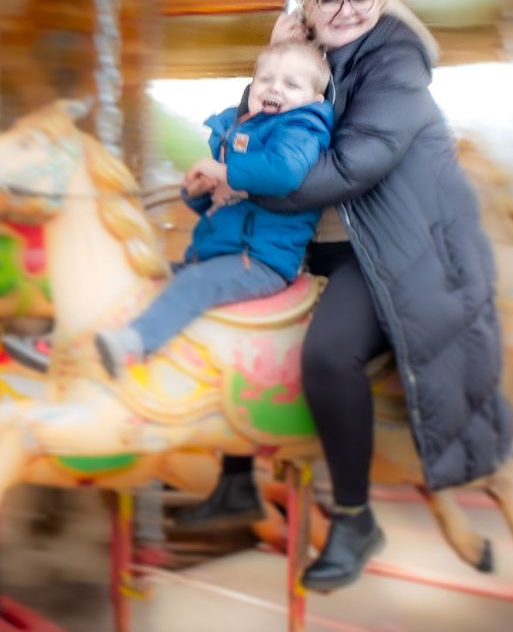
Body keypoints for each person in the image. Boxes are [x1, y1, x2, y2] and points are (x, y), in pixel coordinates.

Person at [178, 0, 513, 593]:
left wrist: (243, 182)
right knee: (223, 302)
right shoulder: (316, 62)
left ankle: (356, 519)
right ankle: (237, 478)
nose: (346, 9)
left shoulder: (397, 68)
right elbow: (257, 127)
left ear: (382, 1)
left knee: (329, 354)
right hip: (322, 240)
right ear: (308, 9)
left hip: (392, 249)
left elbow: (353, 166)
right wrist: (277, 59)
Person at [94, 40, 334, 380]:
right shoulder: (238, 129)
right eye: (265, 79)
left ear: (315, 99)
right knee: (149, 277)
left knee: (194, 284)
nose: (274, 89)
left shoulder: (302, 129)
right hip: (218, 252)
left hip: (261, 260)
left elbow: (284, 172)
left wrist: (224, 172)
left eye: (291, 84)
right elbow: (226, 199)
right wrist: (199, 192)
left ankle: (133, 344)